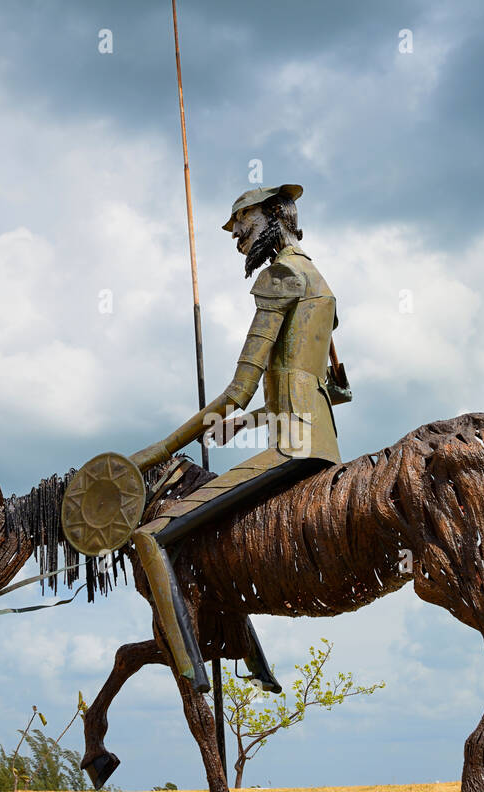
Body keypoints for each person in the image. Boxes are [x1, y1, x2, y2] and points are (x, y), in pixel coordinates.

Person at [128, 184, 348, 693]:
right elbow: (334, 388)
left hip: (293, 447)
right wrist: (244, 427)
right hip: (324, 443)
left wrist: (160, 450)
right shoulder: (319, 279)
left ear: (272, 216)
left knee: (150, 534)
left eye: (240, 226)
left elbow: (238, 392)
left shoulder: (280, 276)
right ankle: (254, 660)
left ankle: (189, 670)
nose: (236, 240)